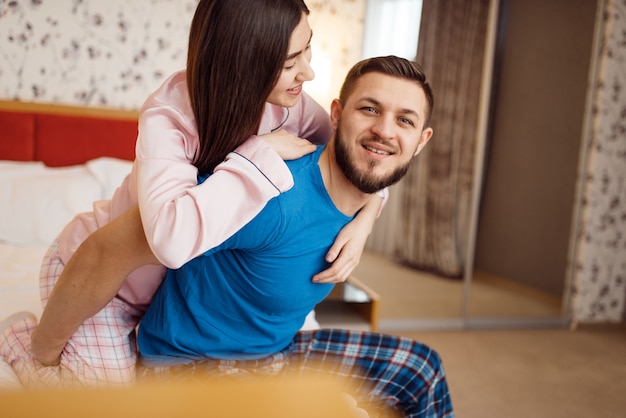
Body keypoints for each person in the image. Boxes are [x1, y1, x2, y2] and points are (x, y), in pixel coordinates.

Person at [0, 0, 383, 389]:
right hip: (105, 284)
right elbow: (170, 239)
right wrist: (257, 156)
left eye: (307, 48)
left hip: (170, 304)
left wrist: (367, 217)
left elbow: (357, 157)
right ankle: (16, 341)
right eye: (289, 63)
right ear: (243, 62)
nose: (308, 71)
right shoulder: (171, 118)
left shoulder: (292, 109)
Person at [136, 55, 453, 418]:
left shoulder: (363, 195)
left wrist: (366, 219)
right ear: (336, 114)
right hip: (191, 365)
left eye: (404, 120)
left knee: (422, 368)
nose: (384, 130)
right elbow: (148, 240)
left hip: (274, 354)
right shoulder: (273, 194)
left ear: (421, 140)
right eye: (369, 109)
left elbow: (372, 184)